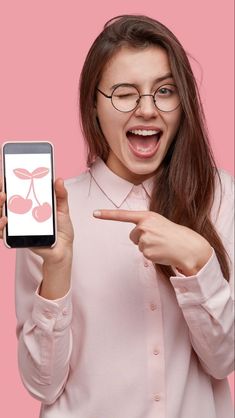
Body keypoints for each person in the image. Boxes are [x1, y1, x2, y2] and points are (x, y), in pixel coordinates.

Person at [0, 14, 234, 418]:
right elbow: (42, 384)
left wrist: (198, 262)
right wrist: (56, 270)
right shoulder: (58, 213)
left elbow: (222, 361)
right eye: (124, 93)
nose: (147, 109)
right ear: (94, 103)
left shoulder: (217, 194)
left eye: (164, 91)